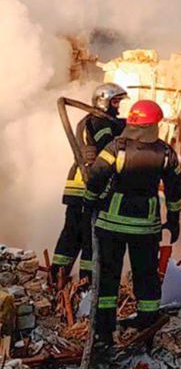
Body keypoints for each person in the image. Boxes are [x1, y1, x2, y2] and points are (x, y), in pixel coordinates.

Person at [84, 99, 181, 351]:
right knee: (146, 278)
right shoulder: (166, 153)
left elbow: (96, 176)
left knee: (108, 278)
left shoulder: (116, 147)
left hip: (112, 224)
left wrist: (90, 202)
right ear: (153, 125)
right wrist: (173, 220)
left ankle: (104, 332)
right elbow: (175, 190)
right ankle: (146, 331)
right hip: (146, 228)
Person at [50, 83, 127, 287]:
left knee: (71, 234)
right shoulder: (100, 122)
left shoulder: (91, 120)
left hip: (77, 183)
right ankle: (86, 284)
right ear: (103, 100)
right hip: (89, 183)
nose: (118, 106)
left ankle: (57, 277)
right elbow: (109, 147)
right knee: (88, 235)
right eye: (115, 101)